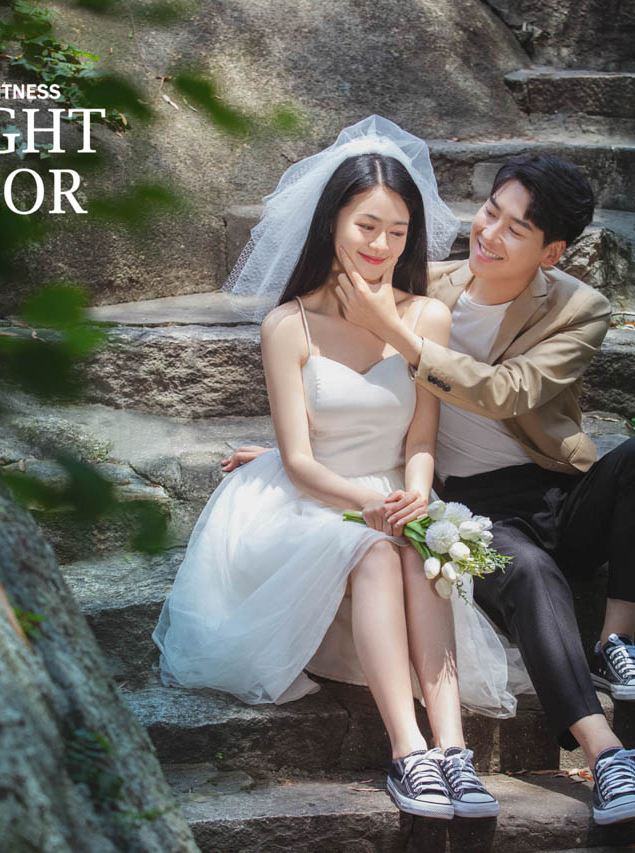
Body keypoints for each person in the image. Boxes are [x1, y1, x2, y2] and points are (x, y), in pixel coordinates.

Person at [225, 154, 635, 826]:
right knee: (528, 572)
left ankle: (617, 640)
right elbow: (362, 397)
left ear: (552, 252)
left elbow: (507, 391)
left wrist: (393, 331)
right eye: (490, 212)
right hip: (475, 502)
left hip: (558, 491)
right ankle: (605, 753)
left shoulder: (578, 307)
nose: (490, 234)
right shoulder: (432, 284)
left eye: (515, 229)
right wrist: (284, 458)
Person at [153, 116, 530, 821]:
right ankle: (409, 752)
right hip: (309, 503)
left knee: (422, 551)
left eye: (397, 232)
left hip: (393, 490)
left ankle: (455, 751)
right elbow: (298, 461)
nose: (380, 245)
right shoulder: (287, 325)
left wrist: (415, 497)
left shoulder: (427, 318)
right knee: (376, 552)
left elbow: (422, 437)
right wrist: (369, 505)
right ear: (332, 222)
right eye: (367, 226)